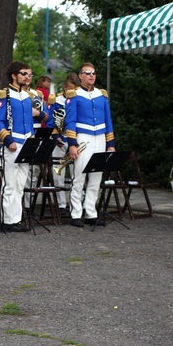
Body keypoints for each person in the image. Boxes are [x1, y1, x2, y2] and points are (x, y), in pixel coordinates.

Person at [64, 63, 116, 226]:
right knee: (79, 176)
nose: (91, 76)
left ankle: (91, 213)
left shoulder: (102, 95)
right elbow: (70, 121)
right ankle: (76, 214)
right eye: (88, 73)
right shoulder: (74, 95)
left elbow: (108, 121)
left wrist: (110, 144)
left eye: (93, 73)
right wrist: (72, 144)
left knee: (96, 177)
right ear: (80, 76)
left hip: (100, 138)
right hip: (83, 138)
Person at [0, 61, 43, 232]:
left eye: (29, 74)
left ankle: (16, 219)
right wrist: (8, 140)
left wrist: (33, 142)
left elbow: (31, 120)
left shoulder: (29, 95)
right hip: (12, 144)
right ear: (14, 76)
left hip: (27, 142)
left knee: (21, 183)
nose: (27, 77)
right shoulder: (4, 95)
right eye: (24, 74)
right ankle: (7, 220)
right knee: (9, 184)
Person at [47, 72, 80, 214]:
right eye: (71, 89)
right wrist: (56, 137)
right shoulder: (57, 101)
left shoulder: (79, 99)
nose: (74, 92)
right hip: (60, 139)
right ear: (65, 88)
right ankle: (60, 205)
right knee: (58, 172)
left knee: (76, 172)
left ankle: (76, 203)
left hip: (75, 139)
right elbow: (50, 122)